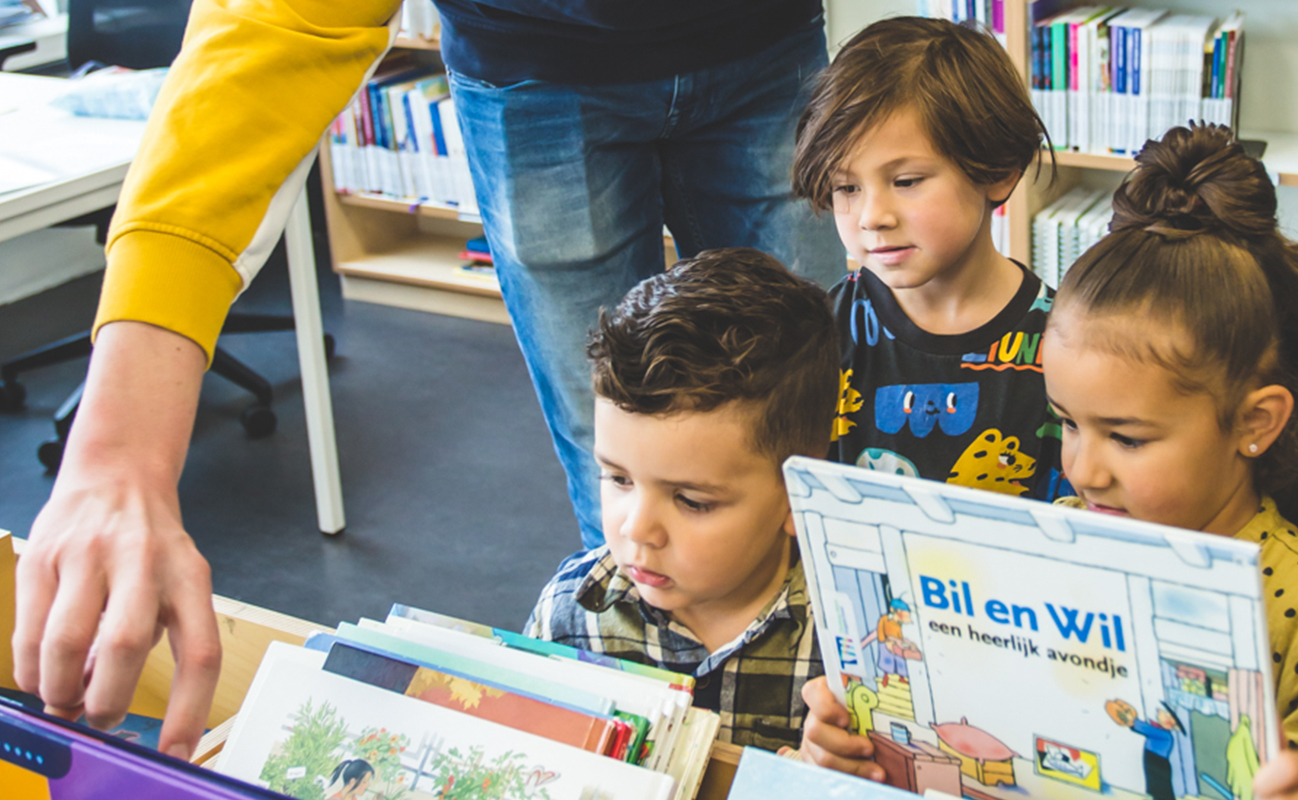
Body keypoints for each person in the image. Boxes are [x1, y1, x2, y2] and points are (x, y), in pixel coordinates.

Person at [13, 0, 843, 762]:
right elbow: (272, 29)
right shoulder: (573, 601)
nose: (642, 531)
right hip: (532, 65)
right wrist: (119, 448)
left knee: (816, 421)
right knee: (623, 451)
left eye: (690, 505)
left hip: (763, 40)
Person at [799, 124, 1298, 800]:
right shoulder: (1054, 541)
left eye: (1129, 438)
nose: (1086, 471)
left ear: (1256, 423)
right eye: (1068, 425)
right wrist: (864, 746)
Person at [525, 248, 836, 752]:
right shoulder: (568, 616)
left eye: (691, 501)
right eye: (618, 478)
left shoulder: (857, 645)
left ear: (799, 495)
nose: (637, 530)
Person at [791, 17, 1065, 501]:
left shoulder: (1065, 340)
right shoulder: (819, 334)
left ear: (998, 171)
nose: (872, 217)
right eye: (847, 188)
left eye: (906, 181)